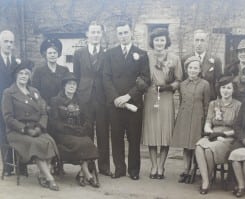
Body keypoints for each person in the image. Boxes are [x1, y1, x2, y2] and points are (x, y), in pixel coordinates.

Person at [1, 59, 59, 191]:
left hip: (36, 128)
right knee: (36, 144)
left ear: (29, 76)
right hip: (17, 132)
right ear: (16, 75)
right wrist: (25, 129)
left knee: (49, 141)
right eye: (21, 73)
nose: (23, 76)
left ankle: (42, 174)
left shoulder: (34, 91)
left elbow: (44, 112)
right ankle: (50, 178)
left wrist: (39, 127)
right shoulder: (9, 93)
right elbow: (8, 118)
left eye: (26, 74)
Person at [103, 20, 150, 180]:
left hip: (133, 103)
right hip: (115, 104)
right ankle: (119, 168)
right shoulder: (109, 54)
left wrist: (128, 96)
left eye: (125, 32)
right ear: (117, 35)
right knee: (116, 137)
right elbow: (106, 78)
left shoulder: (141, 54)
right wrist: (116, 98)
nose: (123, 36)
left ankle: (134, 170)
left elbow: (145, 79)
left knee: (134, 138)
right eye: (120, 33)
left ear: (131, 33)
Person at [141, 27, 182, 180]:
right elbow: (142, 76)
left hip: (166, 96)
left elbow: (179, 80)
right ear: (153, 41)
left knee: (165, 133)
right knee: (152, 133)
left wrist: (169, 87)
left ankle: (161, 166)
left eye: (162, 40)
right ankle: (153, 166)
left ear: (166, 41)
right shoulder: (147, 57)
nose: (159, 43)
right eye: (157, 40)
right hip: (152, 95)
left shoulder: (175, 58)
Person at [48, 72, 99, 188]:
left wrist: (84, 129)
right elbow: (54, 123)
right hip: (62, 134)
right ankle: (86, 174)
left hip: (78, 133)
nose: (72, 86)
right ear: (64, 86)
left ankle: (82, 173)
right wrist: (71, 130)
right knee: (81, 143)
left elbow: (88, 119)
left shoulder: (81, 101)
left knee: (88, 142)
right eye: (69, 84)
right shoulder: (55, 100)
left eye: (74, 84)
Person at [73, 21, 110, 176]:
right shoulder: (79, 54)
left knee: (102, 133)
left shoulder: (107, 53)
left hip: (101, 98)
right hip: (84, 98)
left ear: (101, 34)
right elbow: (76, 77)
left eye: (98, 32)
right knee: (87, 132)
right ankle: (88, 165)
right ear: (87, 34)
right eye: (93, 32)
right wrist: (76, 98)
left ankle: (104, 166)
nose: (95, 35)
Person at [195, 76, 241, 194]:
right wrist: (211, 133)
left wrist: (223, 134)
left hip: (227, 137)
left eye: (229, 88)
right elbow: (208, 123)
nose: (226, 90)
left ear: (233, 90)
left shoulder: (238, 105)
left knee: (209, 150)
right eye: (223, 88)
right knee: (199, 147)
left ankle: (207, 180)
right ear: (219, 89)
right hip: (213, 135)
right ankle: (206, 180)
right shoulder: (213, 104)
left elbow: (238, 129)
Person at [171, 56, 210, 183]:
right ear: (187, 70)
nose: (193, 70)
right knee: (185, 146)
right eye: (190, 68)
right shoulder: (182, 85)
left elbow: (206, 104)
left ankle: (194, 170)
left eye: (196, 68)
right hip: (185, 117)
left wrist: (205, 122)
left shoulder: (205, 84)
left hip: (198, 118)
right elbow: (182, 101)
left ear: (199, 70)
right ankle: (185, 170)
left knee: (194, 145)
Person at [182, 29, 222, 100]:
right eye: (197, 40)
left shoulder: (215, 60)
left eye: (202, 40)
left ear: (207, 43)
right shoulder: (185, 59)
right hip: (191, 99)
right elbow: (183, 81)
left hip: (209, 99)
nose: (199, 43)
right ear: (193, 42)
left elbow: (218, 81)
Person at [32, 38, 69, 105]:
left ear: (58, 54)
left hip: (61, 106)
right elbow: (35, 91)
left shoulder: (64, 70)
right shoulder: (39, 71)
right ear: (45, 55)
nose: (52, 55)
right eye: (50, 53)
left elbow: (67, 89)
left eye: (55, 53)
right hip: (45, 107)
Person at [0, 30, 17, 175]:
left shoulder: (16, 61)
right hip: (0, 103)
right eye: (6, 41)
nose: (9, 45)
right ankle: (7, 166)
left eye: (11, 42)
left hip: (15, 104)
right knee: (3, 133)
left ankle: (20, 166)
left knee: (16, 131)